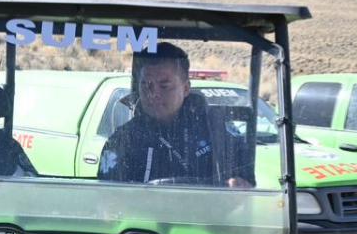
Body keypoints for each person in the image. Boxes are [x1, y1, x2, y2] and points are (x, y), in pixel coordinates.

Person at [98, 42, 251, 187]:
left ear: (185, 88)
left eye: (164, 86)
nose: (154, 94)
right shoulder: (124, 139)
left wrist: (238, 184)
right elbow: (107, 201)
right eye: (147, 85)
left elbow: (246, 182)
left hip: (208, 213)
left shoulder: (217, 130)